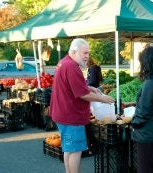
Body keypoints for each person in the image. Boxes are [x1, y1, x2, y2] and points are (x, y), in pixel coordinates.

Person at [49, 38, 114, 173]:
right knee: (75, 151)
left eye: (88, 53)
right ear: (74, 51)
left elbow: (73, 86)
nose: (87, 56)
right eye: (84, 53)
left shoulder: (64, 63)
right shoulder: (72, 67)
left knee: (68, 149)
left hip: (62, 114)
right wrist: (103, 98)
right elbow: (82, 95)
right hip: (70, 116)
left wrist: (89, 87)